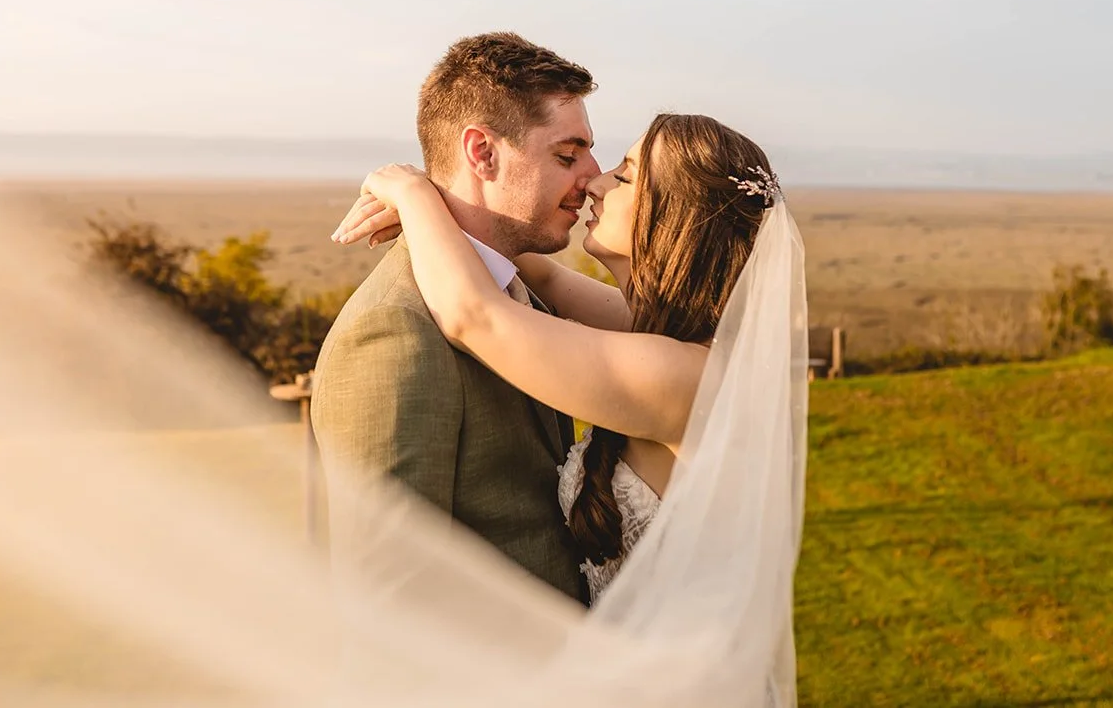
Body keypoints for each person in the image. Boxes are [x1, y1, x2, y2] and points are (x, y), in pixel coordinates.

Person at [332, 111, 788, 605]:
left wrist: (412, 193)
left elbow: (474, 316)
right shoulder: (679, 337)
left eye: (626, 175)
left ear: (674, 218)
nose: (595, 181)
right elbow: (541, 275)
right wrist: (451, 195)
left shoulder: (683, 378)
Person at [310, 32, 600, 603]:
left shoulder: (524, 290)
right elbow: (389, 597)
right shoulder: (393, 331)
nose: (590, 176)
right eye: (566, 156)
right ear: (483, 153)